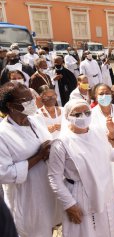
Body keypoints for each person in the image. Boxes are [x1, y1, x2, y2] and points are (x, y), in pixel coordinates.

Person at [48, 99, 114, 237]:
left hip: (104, 190)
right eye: (77, 114)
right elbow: (54, 178)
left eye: (87, 112)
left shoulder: (96, 132)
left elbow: (108, 151)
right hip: (79, 196)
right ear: (67, 117)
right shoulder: (61, 143)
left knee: (108, 227)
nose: (83, 116)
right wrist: (69, 204)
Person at [0, 82, 61, 237]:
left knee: (50, 225)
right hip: (28, 198)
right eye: (25, 100)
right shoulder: (3, 134)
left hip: (48, 189)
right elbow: (4, 173)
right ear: (10, 105)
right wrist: (39, 156)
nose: (31, 102)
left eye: (31, 97)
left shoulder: (36, 120)